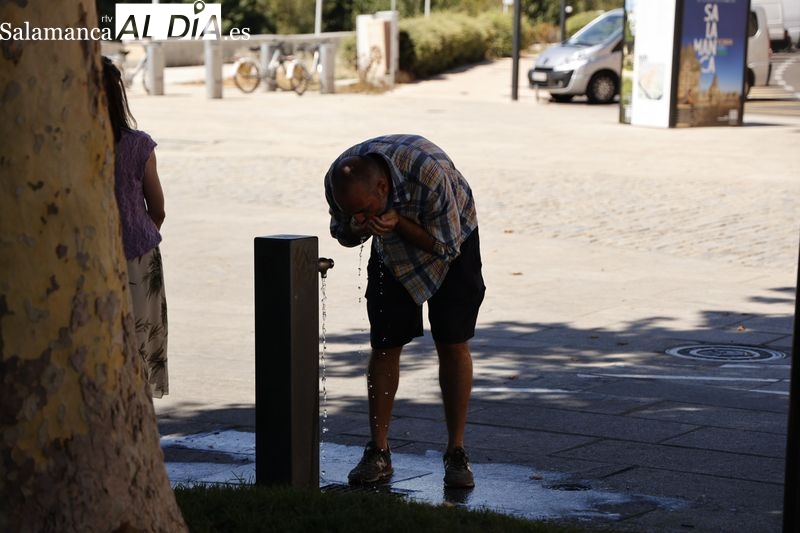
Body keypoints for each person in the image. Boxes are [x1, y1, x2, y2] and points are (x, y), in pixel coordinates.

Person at [324, 134, 486, 489]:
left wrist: (398, 224)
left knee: (452, 341)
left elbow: (446, 247)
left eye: (366, 210)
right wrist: (356, 226)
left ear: (383, 186)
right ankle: (378, 451)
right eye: (355, 212)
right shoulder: (340, 179)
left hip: (453, 237)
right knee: (384, 343)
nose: (362, 217)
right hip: (391, 251)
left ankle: (456, 451)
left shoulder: (429, 176)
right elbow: (342, 233)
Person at [102, 56, 169, 399]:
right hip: (139, 256)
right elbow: (157, 209)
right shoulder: (139, 145)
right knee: (138, 342)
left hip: (93, 255)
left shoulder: (73, 144)